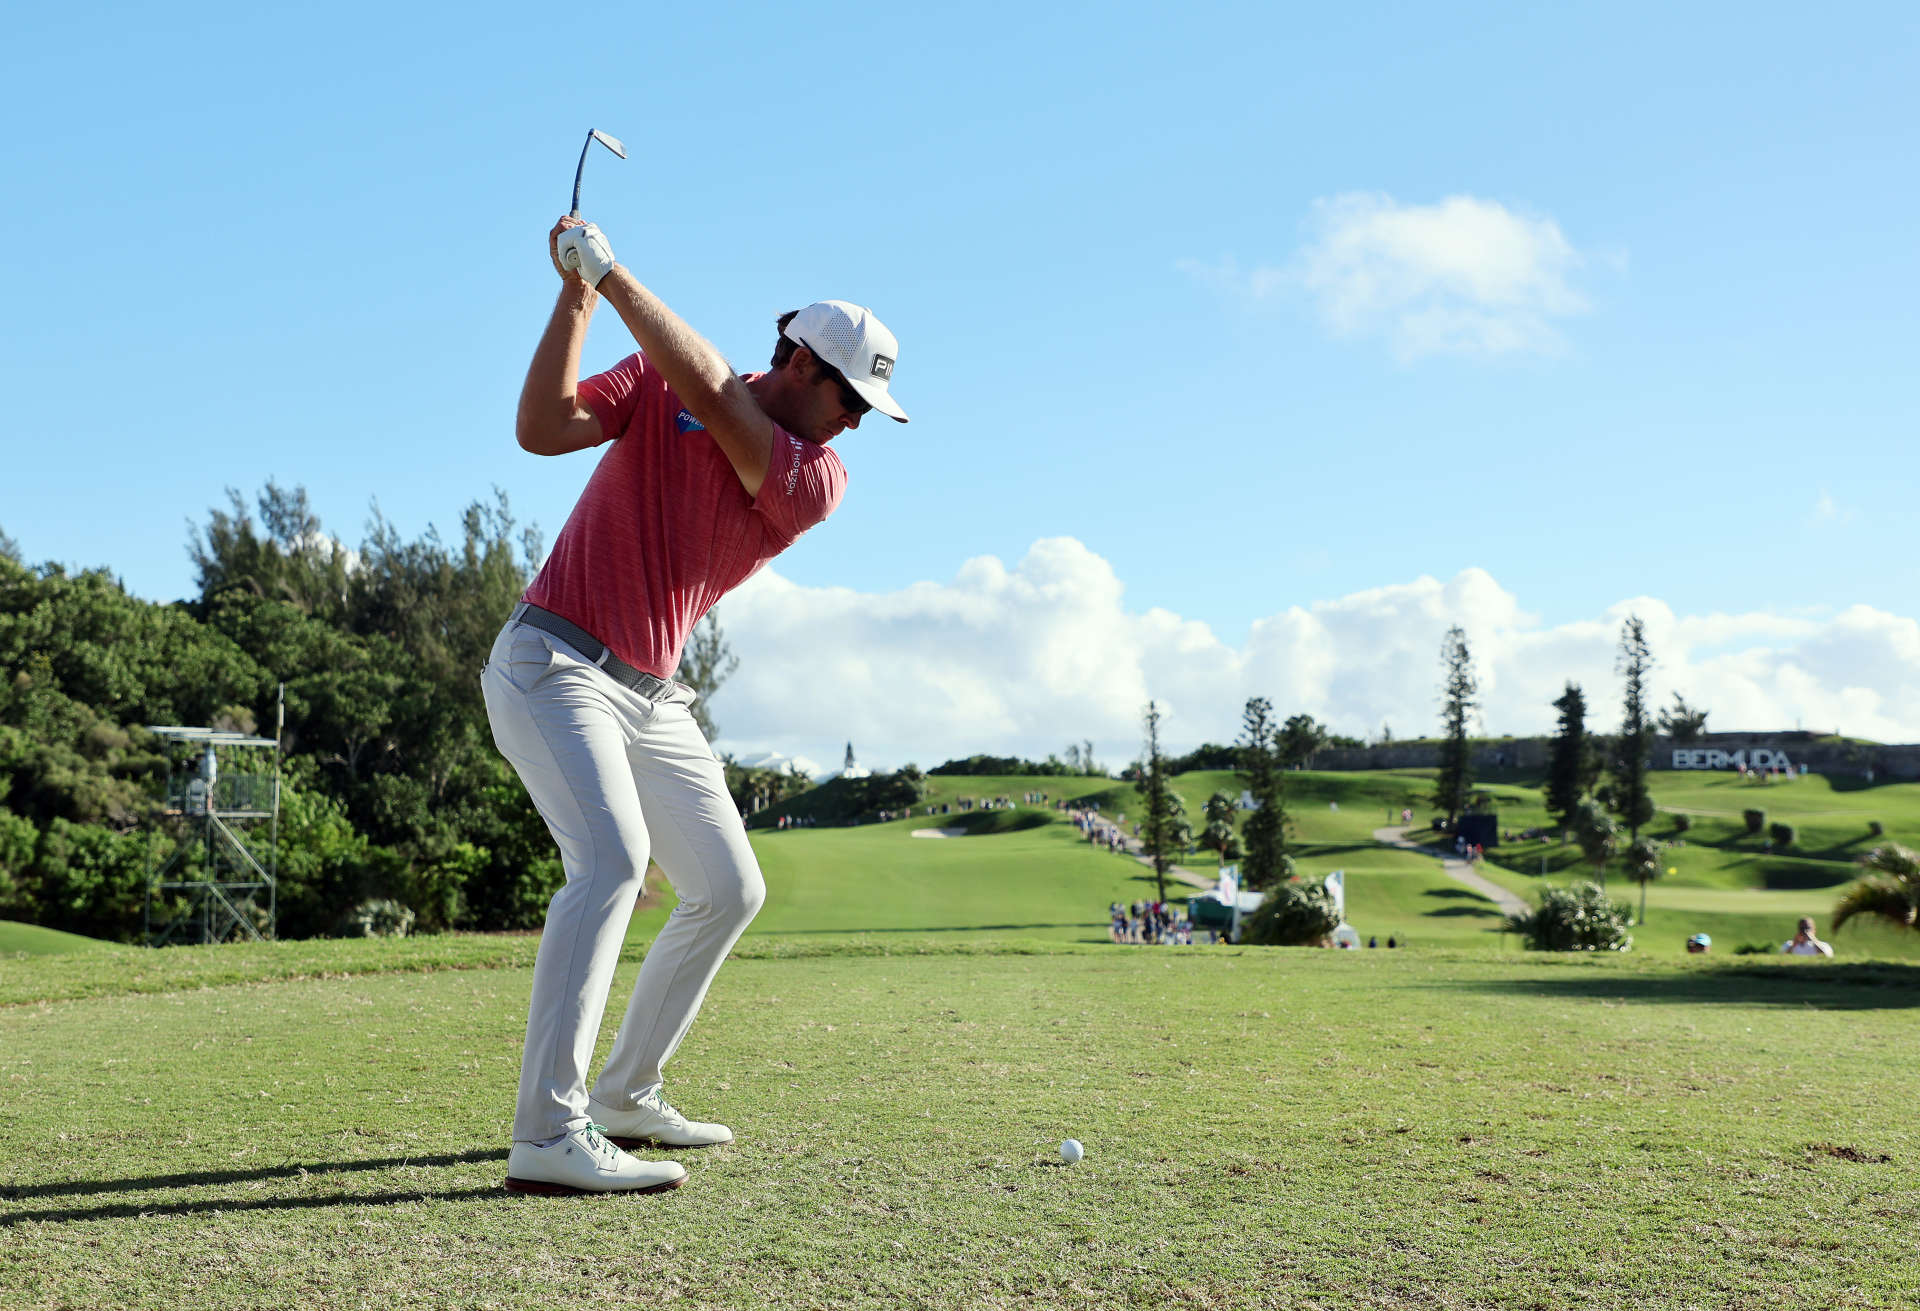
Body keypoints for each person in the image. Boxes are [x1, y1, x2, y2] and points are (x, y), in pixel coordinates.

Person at [483, 215, 909, 1196]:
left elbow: (717, 396)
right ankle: (547, 1132)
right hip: (554, 661)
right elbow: (542, 431)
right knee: (610, 865)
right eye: (852, 398)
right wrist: (577, 296)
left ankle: (626, 1095)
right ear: (801, 364)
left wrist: (613, 273)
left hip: (651, 696)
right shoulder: (658, 378)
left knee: (728, 887)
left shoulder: (816, 476)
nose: (855, 422)